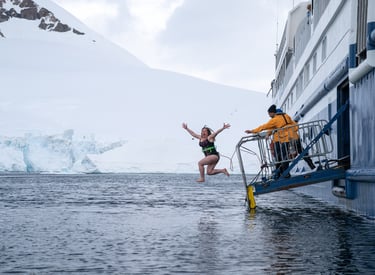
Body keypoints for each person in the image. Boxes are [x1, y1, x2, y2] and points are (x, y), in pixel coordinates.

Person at [245, 104, 292, 178]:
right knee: (284, 156)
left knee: (280, 156)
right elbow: (290, 124)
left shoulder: (275, 119)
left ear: (272, 112)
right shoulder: (286, 116)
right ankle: (284, 172)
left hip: (282, 139)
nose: (269, 116)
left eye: (269, 114)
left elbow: (264, 126)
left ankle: (283, 173)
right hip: (290, 137)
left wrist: (252, 131)